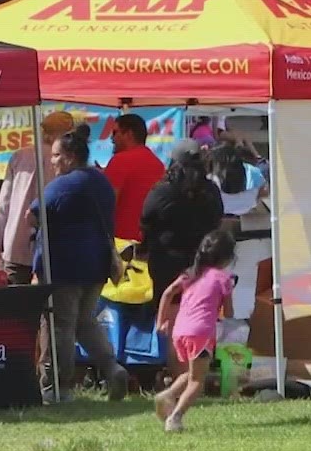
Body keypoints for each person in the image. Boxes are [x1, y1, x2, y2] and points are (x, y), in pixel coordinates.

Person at [33, 129, 130, 402]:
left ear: (70, 157)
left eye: (56, 156)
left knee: (60, 325)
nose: (52, 162)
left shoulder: (62, 184)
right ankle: (112, 368)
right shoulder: (100, 180)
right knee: (85, 322)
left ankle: (58, 389)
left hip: (64, 268)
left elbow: (34, 215)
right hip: (97, 265)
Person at [155, 229, 237, 433]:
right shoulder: (223, 278)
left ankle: (167, 395)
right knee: (198, 381)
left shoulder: (190, 274)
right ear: (228, 257)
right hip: (200, 332)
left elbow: (167, 293)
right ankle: (175, 417)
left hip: (180, 330)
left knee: (191, 373)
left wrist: (161, 321)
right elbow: (228, 312)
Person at [139, 143, 226, 323]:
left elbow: (145, 221)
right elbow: (218, 221)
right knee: (198, 312)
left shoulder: (163, 192)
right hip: (202, 261)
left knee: (167, 314)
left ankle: (170, 350)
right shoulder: (211, 191)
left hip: (166, 262)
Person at [0, 111, 74, 285]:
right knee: (49, 304)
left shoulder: (19, 156)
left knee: (16, 305)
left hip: (16, 241)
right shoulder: (68, 160)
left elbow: (4, 203)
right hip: (51, 246)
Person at [209, 142, 271, 320]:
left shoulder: (212, 186)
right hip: (252, 244)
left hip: (220, 243)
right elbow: (263, 194)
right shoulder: (253, 192)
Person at [102, 113, 165, 242]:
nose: (112, 139)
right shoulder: (158, 164)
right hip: (149, 242)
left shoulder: (119, 161)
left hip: (122, 243)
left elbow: (106, 205)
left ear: (129, 134)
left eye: (115, 132)